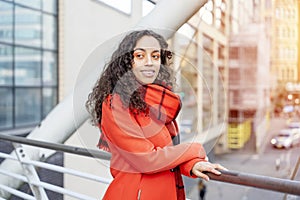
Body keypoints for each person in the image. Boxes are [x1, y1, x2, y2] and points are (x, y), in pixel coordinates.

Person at [86, 29, 226, 200]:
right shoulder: (116, 103)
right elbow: (146, 160)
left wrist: (191, 164)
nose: (150, 62)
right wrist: (194, 149)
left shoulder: (157, 102)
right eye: (140, 56)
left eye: (155, 56)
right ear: (127, 62)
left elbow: (167, 153)